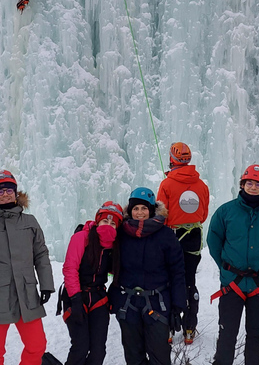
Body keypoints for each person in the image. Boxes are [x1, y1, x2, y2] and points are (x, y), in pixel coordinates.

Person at [0, 170, 55, 365]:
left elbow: (41, 254)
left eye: (9, 190)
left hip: (27, 294)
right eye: (0, 191)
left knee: (37, 346)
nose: (5, 194)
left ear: (16, 193)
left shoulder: (30, 222)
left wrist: (46, 285)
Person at [207, 164, 259, 365]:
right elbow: (214, 241)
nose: (253, 187)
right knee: (227, 333)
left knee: (256, 334)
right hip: (232, 283)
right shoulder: (226, 212)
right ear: (242, 184)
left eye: (258, 184)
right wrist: (225, 266)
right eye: (249, 183)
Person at [110, 187, 186, 365]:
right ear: (130, 210)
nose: (140, 213)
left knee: (159, 356)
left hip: (157, 302)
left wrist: (178, 306)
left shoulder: (165, 235)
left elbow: (177, 271)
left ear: (151, 209)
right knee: (133, 356)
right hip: (128, 303)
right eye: (135, 209)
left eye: (144, 208)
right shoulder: (121, 234)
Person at [156, 142, 210, 344]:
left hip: (172, 236)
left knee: (168, 280)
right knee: (189, 281)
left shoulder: (166, 184)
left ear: (172, 159)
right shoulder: (201, 185)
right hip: (194, 236)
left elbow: (161, 214)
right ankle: (189, 329)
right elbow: (203, 215)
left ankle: (169, 329)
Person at [61, 200, 124, 365]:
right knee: (80, 347)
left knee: (98, 351)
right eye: (104, 221)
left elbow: (117, 272)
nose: (108, 226)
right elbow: (70, 268)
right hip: (76, 296)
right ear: (97, 221)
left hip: (98, 297)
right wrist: (75, 299)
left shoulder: (115, 245)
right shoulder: (82, 237)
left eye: (113, 223)